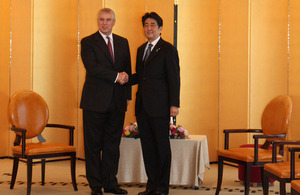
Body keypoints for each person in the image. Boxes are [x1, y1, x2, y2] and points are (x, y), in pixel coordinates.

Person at [80, 8, 131, 195]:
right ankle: (95, 185)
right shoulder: (87, 42)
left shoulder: (123, 42)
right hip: (94, 102)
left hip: (117, 102)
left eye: (108, 19)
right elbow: (92, 68)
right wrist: (116, 76)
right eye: (101, 19)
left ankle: (110, 183)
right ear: (97, 21)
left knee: (112, 145)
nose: (104, 23)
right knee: (93, 145)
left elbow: (127, 70)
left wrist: (127, 96)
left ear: (114, 22)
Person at [130, 12, 180, 195]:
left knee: (161, 148)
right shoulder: (141, 49)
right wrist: (125, 78)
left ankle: (162, 188)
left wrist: (174, 104)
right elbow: (140, 76)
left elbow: (174, 78)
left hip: (160, 107)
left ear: (160, 28)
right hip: (143, 107)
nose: (149, 28)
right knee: (148, 148)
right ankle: (151, 187)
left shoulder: (168, 49)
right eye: (146, 25)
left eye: (152, 25)